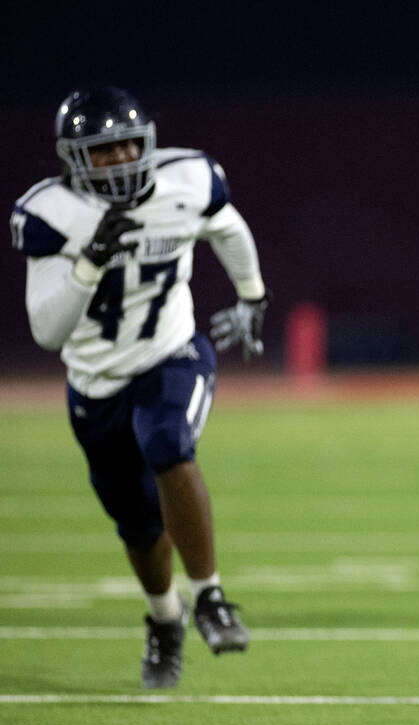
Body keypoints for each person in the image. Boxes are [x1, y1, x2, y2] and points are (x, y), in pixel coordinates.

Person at [10, 86, 268, 689]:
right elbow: (48, 331)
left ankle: (209, 598)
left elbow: (227, 227)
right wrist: (90, 261)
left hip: (170, 352)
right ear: (75, 159)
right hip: (95, 383)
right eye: (105, 151)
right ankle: (165, 619)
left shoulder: (185, 180)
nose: (123, 158)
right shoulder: (51, 214)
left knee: (168, 442)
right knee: (137, 524)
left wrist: (253, 296)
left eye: (131, 144)